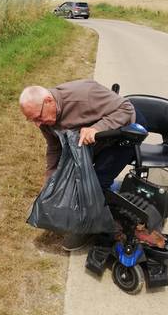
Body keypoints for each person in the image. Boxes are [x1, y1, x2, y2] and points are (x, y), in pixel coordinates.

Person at [19, 79, 147, 251]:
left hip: (128, 129)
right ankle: (97, 208)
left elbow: (126, 108)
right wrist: (50, 179)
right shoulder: (45, 119)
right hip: (100, 137)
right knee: (77, 177)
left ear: (49, 101)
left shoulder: (84, 95)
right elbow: (55, 147)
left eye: (38, 117)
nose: (38, 124)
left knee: (95, 181)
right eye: (32, 120)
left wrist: (98, 128)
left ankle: (88, 228)